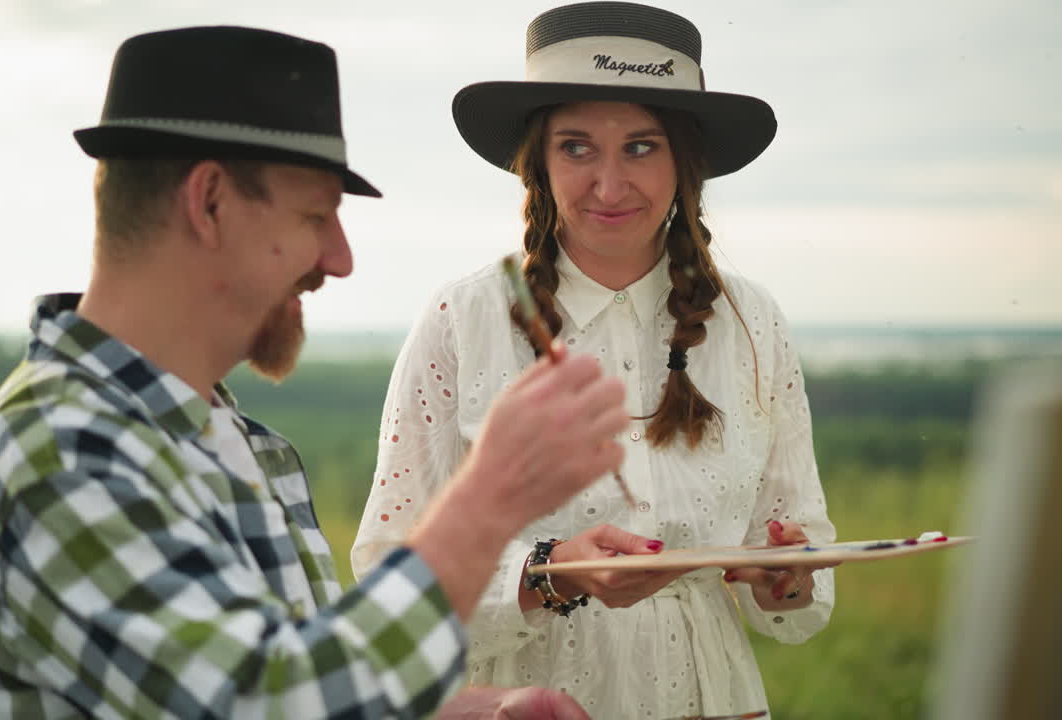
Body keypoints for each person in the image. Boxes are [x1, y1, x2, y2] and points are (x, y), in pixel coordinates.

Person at [0, 25, 624, 720]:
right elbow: (276, 704)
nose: (339, 256)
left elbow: (304, 679)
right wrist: (492, 494)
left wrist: (478, 711)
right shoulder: (58, 455)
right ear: (209, 203)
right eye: (315, 215)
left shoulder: (244, 447)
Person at [350, 2, 836, 718]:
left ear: (685, 161)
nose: (609, 186)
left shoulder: (753, 321)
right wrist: (550, 575)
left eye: (641, 147)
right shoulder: (463, 320)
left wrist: (784, 578)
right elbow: (387, 584)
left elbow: (804, 583)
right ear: (538, 162)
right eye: (577, 147)